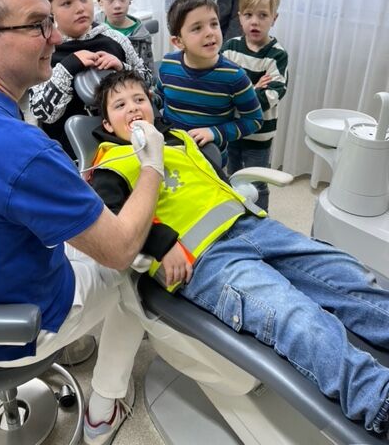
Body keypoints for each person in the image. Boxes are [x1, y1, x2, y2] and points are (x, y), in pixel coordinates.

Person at [0, 0, 165, 445]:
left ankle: (76, 348)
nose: (55, 37)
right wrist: (152, 165)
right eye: (37, 25)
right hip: (13, 332)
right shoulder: (23, 151)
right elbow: (120, 249)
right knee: (137, 272)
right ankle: (104, 408)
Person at [88, 69, 389, 438]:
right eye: (120, 105)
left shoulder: (178, 139)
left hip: (254, 227)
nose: (134, 108)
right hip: (205, 259)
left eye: (139, 99)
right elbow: (113, 226)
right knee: (293, 313)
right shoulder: (110, 165)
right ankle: (378, 398)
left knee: (346, 275)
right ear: (107, 123)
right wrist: (161, 244)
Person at [29, 0, 151, 156]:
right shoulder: (43, 51)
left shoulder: (115, 39)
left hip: (123, 149)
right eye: (67, 3)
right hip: (69, 155)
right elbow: (42, 113)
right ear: (49, 10)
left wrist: (122, 68)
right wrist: (68, 67)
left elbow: (147, 82)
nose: (80, 8)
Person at [156, 0, 263, 166]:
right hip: (171, 153)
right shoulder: (168, 64)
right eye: (197, 28)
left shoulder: (235, 76)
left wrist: (214, 132)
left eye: (214, 24)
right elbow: (160, 97)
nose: (210, 32)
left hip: (210, 161)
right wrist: (145, 98)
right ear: (178, 41)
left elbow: (254, 120)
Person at [222, 0, 288, 211]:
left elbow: (270, 96)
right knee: (233, 178)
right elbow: (221, 89)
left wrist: (240, 92)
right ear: (240, 17)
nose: (254, 22)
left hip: (259, 135)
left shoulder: (277, 55)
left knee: (257, 183)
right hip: (232, 130)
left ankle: (261, 221)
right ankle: (238, 217)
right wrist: (253, 88)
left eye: (263, 15)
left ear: (274, 18)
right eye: (248, 15)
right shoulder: (230, 48)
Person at [95, 0, 155, 74]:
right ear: (100, 1)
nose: (117, 5)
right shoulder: (94, 26)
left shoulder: (142, 37)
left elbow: (149, 76)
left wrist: (123, 67)